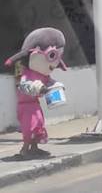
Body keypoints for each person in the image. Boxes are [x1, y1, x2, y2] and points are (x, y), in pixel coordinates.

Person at [4, 28, 68, 159]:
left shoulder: (40, 71)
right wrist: (38, 89)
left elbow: (48, 81)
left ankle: (34, 148)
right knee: (30, 127)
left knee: (38, 125)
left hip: (34, 104)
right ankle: (25, 149)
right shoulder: (23, 69)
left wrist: (56, 86)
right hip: (25, 105)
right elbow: (22, 85)